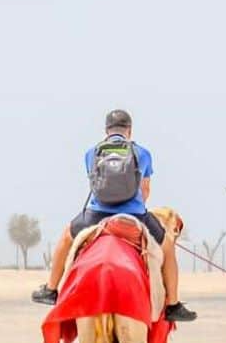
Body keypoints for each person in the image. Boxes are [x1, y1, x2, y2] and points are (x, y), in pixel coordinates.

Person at [32, 109, 195, 322]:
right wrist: (134, 205)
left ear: (106, 130)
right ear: (129, 130)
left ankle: (51, 289)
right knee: (168, 249)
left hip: (96, 213)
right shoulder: (142, 153)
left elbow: (96, 184)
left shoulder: (92, 153)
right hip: (135, 213)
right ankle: (173, 305)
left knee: (65, 239)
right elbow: (144, 190)